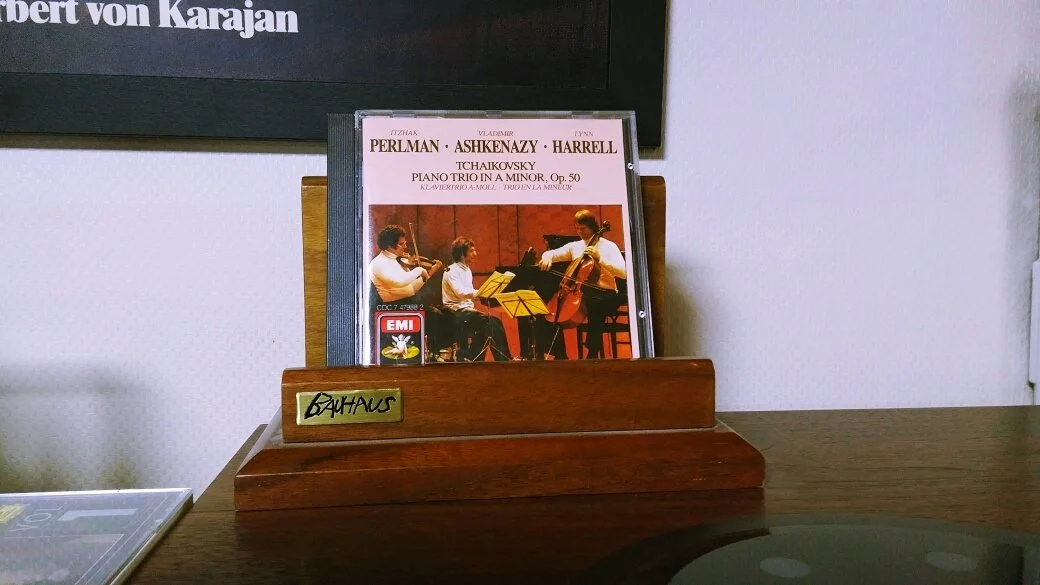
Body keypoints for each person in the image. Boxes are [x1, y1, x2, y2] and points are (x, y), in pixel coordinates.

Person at [538, 209, 626, 359]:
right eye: (577, 228)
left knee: (596, 304)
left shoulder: (609, 246)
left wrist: (600, 259)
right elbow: (553, 253)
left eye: (583, 228)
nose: (579, 232)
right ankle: (560, 354)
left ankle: (592, 352)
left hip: (607, 294)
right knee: (552, 310)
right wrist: (547, 256)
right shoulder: (575, 246)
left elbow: (624, 273)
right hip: (583, 293)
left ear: (592, 227)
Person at [442, 237, 513, 361]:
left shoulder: (467, 269)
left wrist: (487, 293)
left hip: (466, 310)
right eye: (471, 251)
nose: (475, 253)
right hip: (455, 312)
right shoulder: (451, 270)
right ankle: (502, 359)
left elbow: (469, 293)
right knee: (490, 322)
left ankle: (476, 358)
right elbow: (460, 292)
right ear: (462, 254)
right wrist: (481, 292)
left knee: (494, 322)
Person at [369, 224, 442, 304]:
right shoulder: (378, 263)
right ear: (389, 246)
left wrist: (430, 273)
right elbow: (400, 282)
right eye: (401, 244)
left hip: (407, 302)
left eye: (405, 243)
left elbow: (412, 289)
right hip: (392, 306)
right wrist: (420, 270)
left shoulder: (395, 259)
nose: (405, 246)